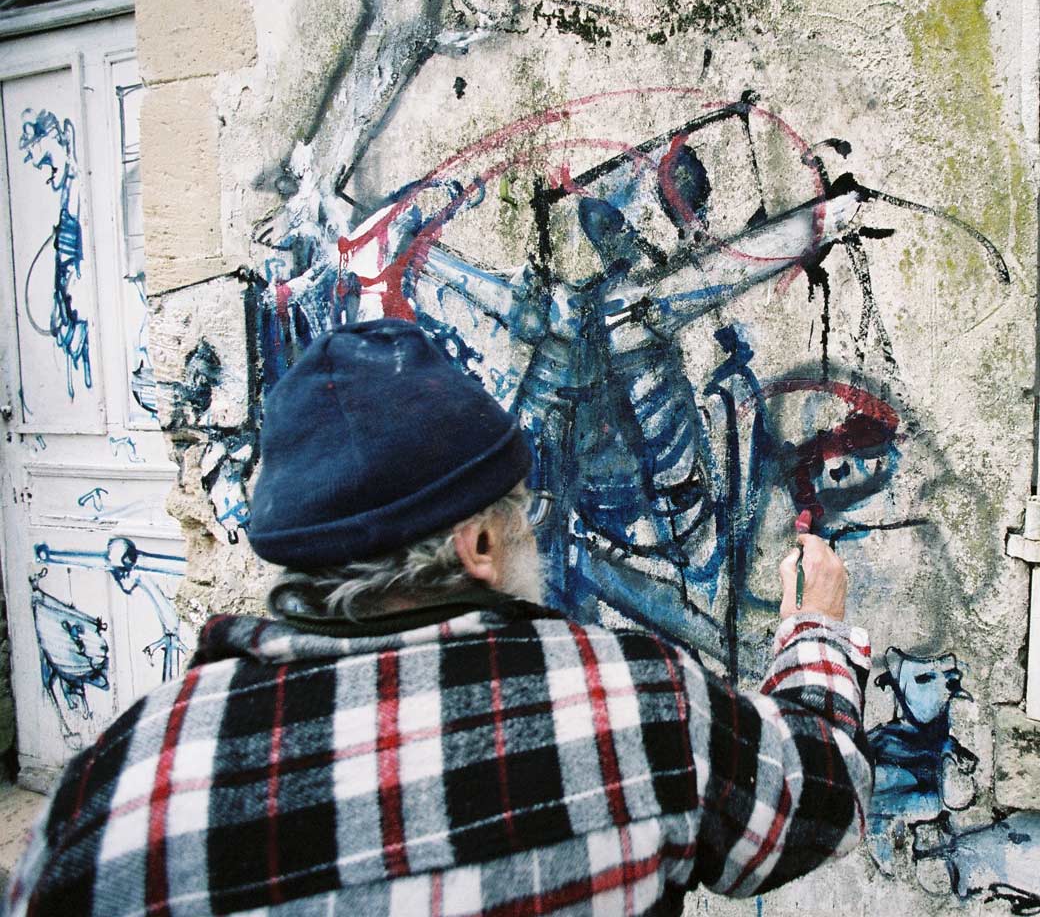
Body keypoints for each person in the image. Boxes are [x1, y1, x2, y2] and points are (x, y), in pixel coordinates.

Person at [5, 318, 873, 916]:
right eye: (519, 510)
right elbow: (819, 799)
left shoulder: (119, 795)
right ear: (479, 548)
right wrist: (815, 633)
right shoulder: (641, 706)